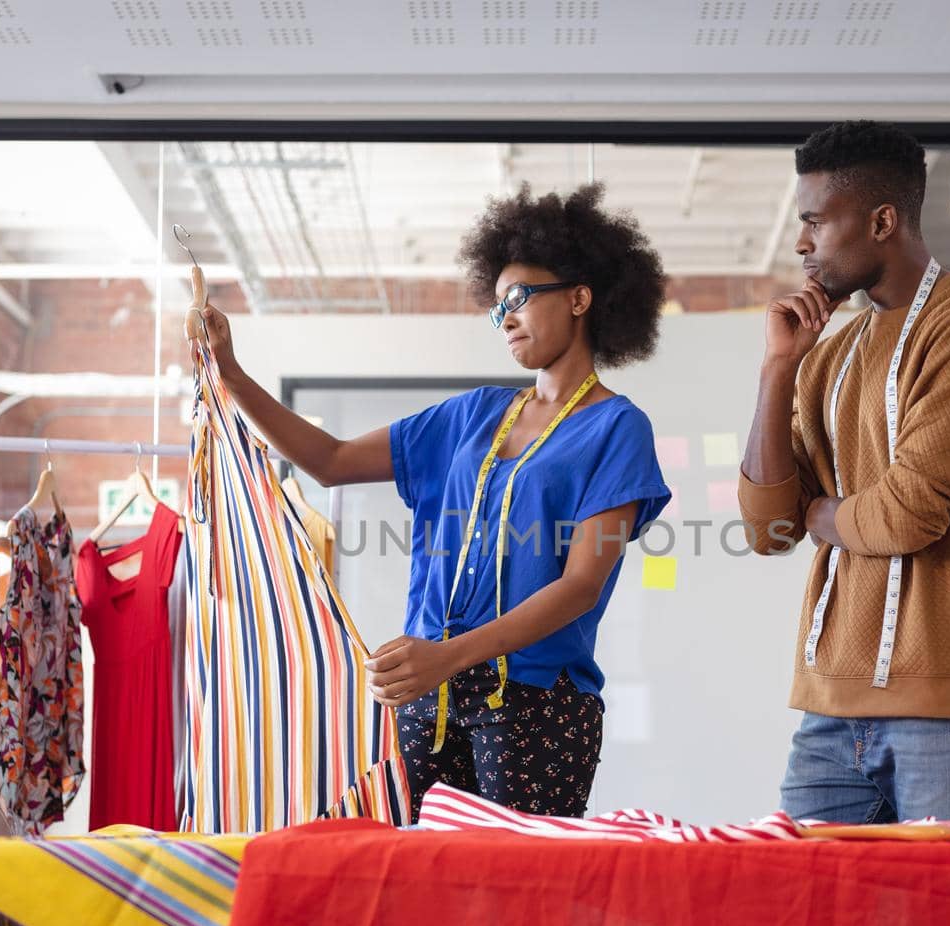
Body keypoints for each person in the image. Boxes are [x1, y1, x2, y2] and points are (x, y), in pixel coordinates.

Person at [197, 183, 670, 821]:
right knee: (419, 898)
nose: (505, 318)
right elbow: (330, 462)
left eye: (521, 298)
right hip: (430, 700)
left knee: (512, 903)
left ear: (580, 298)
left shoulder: (618, 427)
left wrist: (447, 655)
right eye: (498, 305)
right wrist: (230, 372)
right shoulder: (472, 416)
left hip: (536, 708)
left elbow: (583, 584)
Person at [738, 120, 950, 823]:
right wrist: (779, 368)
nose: (803, 242)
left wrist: (823, 515)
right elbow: (768, 528)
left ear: (882, 220)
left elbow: (910, 513)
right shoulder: (831, 351)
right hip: (829, 710)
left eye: (815, 220)